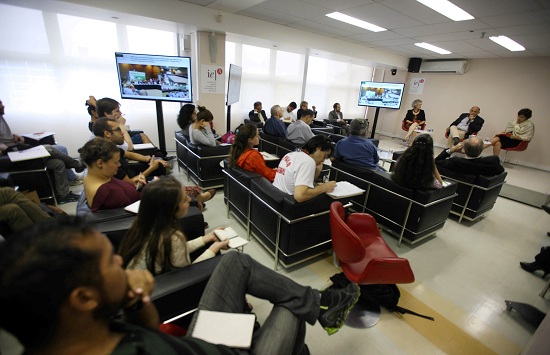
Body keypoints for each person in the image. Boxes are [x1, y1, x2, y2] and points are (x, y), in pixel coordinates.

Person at [0, 216, 360, 354]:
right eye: (109, 261)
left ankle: (321, 307)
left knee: (235, 260)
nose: (121, 260)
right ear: (82, 297)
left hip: (197, 340)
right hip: (223, 349)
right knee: (288, 305)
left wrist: (137, 299)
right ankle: (319, 311)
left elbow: (150, 328)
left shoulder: (85, 325)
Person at [119, 177, 228, 276]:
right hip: (167, 290)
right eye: (184, 199)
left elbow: (176, 250)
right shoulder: (172, 237)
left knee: (211, 242)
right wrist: (213, 249)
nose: (190, 200)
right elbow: (186, 276)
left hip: (153, 279)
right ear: (171, 208)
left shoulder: (142, 226)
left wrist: (206, 238)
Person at [0, 99, 84, 204]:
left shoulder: (1, 118)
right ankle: (77, 164)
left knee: (58, 163)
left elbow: (5, 138)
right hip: (12, 157)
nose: (3, 106)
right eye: (0, 104)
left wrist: (14, 136)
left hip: (18, 150)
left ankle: (64, 195)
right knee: (49, 148)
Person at [92, 117, 169, 181]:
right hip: (131, 183)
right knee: (164, 182)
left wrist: (151, 160)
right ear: (107, 134)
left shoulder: (110, 147)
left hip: (130, 172)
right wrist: (151, 168)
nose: (122, 133)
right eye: (118, 130)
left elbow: (130, 154)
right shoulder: (108, 158)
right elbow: (130, 183)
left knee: (161, 167)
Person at [79, 138, 142, 212]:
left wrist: (132, 183)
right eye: (116, 162)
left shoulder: (92, 176)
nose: (119, 164)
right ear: (100, 163)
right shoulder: (108, 192)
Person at [273, 135, 337, 203]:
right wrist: (324, 188)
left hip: (275, 197)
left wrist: (317, 170)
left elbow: (304, 182)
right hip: (290, 204)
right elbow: (300, 196)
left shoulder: (291, 154)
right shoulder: (308, 161)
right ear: (319, 148)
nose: (324, 160)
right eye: (325, 155)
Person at [435, 137, 505, 176]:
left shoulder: (456, 162)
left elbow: (437, 161)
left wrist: (452, 150)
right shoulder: (493, 161)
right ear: (482, 149)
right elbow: (501, 171)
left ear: (464, 150)